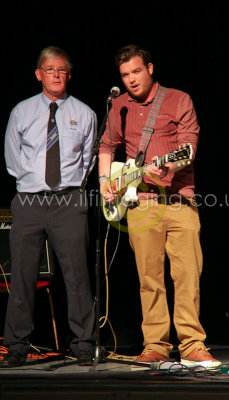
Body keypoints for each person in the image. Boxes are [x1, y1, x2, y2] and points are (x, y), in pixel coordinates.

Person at [98, 44, 220, 366]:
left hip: (180, 199)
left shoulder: (179, 100)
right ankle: (155, 345)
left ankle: (192, 344)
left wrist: (169, 167)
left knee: (187, 275)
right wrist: (104, 181)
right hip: (141, 203)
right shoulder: (119, 106)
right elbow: (107, 147)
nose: (131, 80)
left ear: (150, 69)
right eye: (125, 75)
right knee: (149, 278)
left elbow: (188, 148)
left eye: (136, 72)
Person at [2, 46, 97, 367]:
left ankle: (83, 342)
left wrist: (68, 189)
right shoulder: (22, 111)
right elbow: (13, 158)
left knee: (77, 276)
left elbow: (87, 162)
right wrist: (31, 185)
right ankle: (17, 344)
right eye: (49, 69)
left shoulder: (84, 113)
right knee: (23, 276)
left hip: (69, 201)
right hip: (29, 201)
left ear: (69, 74)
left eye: (62, 70)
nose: (56, 75)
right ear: (39, 74)